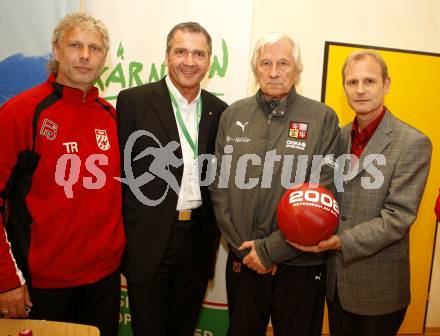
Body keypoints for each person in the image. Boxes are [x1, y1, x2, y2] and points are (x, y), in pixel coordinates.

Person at [0, 13, 125, 336]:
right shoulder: (21, 113)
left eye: (95, 48)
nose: (85, 55)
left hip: (103, 283)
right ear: (56, 50)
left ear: (104, 58)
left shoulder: (111, 118)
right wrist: (6, 280)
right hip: (40, 285)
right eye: (75, 45)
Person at [290, 50, 432, 336]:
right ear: (344, 88)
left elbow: (398, 217)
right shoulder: (336, 137)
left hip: (379, 288)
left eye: (369, 81)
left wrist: (339, 242)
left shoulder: (412, 142)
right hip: (336, 283)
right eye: (352, 82)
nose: (360, 89)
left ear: (386, 84)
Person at [209, 32, 340, 336]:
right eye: (265, 63)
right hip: (245, 259)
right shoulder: (233, 115)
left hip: (300, 263)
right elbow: (219, 187)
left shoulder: (322, 118)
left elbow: (324, 192)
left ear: (298, 70)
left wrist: (271, 251)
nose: (274, 71)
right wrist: (248, 253)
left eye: (283, 63)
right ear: (255, 69)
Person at [116, 22, 228, 336]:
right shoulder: (133, 102)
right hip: (148, 240)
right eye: (181, 51)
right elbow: (119, 177)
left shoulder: (220, 112)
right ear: (167, 56)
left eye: (198, 53)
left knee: (183, 328)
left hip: (197, 240)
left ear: (209, 61)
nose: (189, 61)